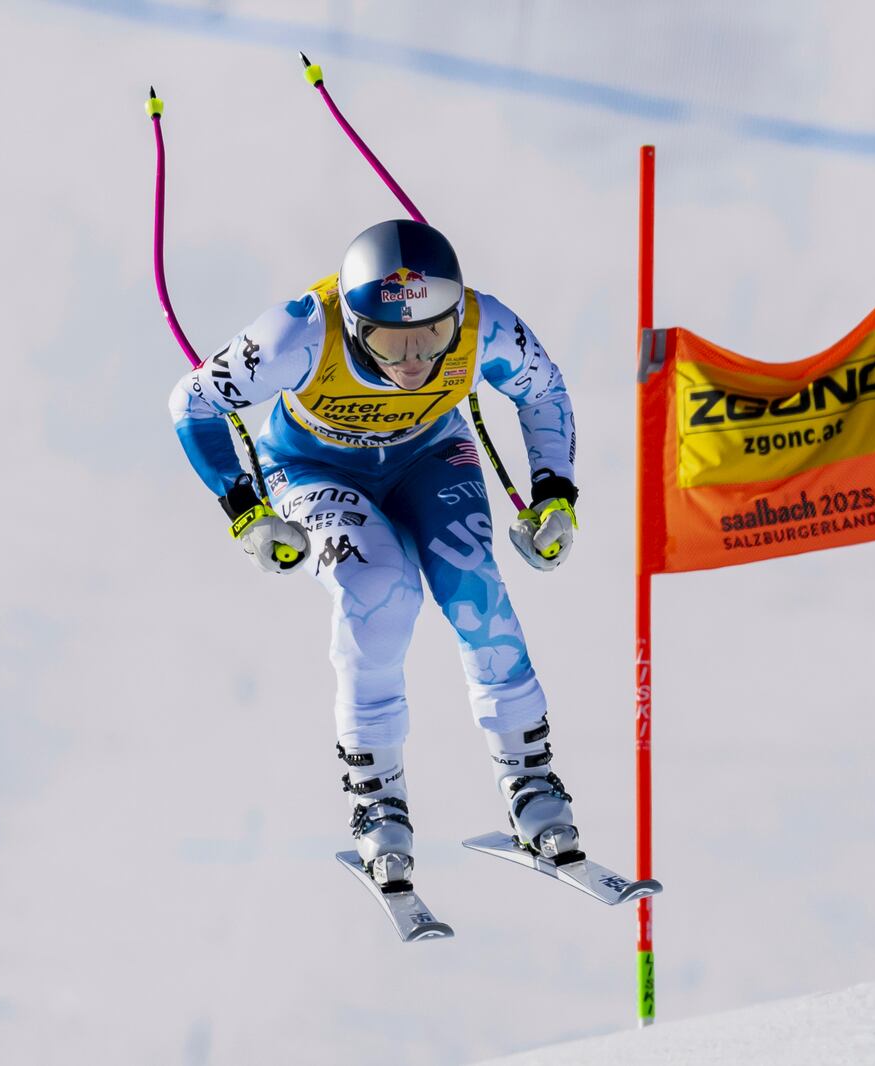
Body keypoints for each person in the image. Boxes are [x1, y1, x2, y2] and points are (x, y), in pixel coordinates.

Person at [168, 219, 581, 888]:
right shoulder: (300, 332)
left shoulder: (483, 324)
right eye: (392, 340)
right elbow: (192, 403)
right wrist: (246, 513)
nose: (415, 359)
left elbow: (542, 389)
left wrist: (555, 494)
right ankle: (376, 798)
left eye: (432, 335)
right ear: (358, 326)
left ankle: (531, 783)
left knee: (476, 590)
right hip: (313, 469)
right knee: (379, 595)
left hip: (430, 459)